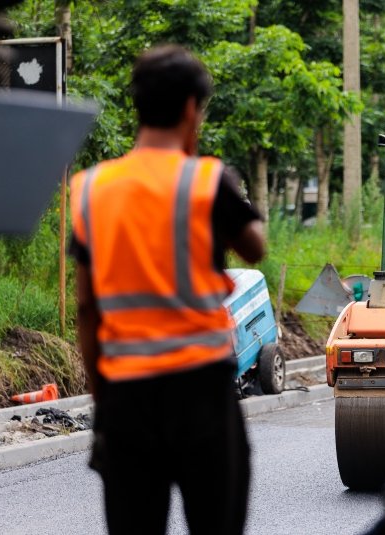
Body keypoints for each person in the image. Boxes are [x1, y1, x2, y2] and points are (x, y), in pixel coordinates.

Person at [69, 45, 264, 535]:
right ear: (190, 109)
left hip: (126, 400)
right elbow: (255, 248)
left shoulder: (92, 188)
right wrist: (230, 190)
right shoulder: (207, 181)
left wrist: (103, 401)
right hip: (201, 395)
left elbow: (87, 310)